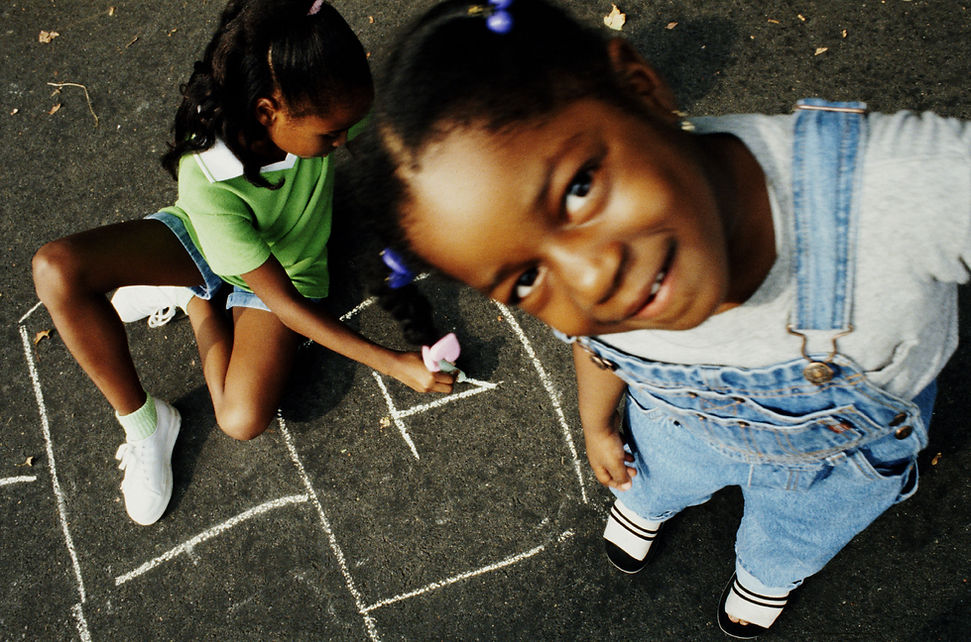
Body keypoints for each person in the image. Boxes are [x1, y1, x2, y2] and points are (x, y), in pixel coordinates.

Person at [352, 0, 970, 637]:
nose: (592, 279)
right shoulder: (594, 292)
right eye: (527, 277)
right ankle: (647, 502)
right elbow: (597, 349)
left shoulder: (899, 189)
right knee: (653, 471)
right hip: (678, 422)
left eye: (579, 188)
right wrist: (595, 423)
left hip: (839, 460)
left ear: (640, 88)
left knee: (799, 531)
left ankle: (769, 569)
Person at [31, 0, 455, 528]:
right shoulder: (207, 174)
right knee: (56, 270)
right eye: (331, 134)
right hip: (219, 247)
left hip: (287, 264)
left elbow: (407, 126)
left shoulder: (322, 101)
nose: (344, 140)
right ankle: (148, 418)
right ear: (265, 113)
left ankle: (197, 297)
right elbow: (286, 306)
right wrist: (394, 363)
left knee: (240, 417)